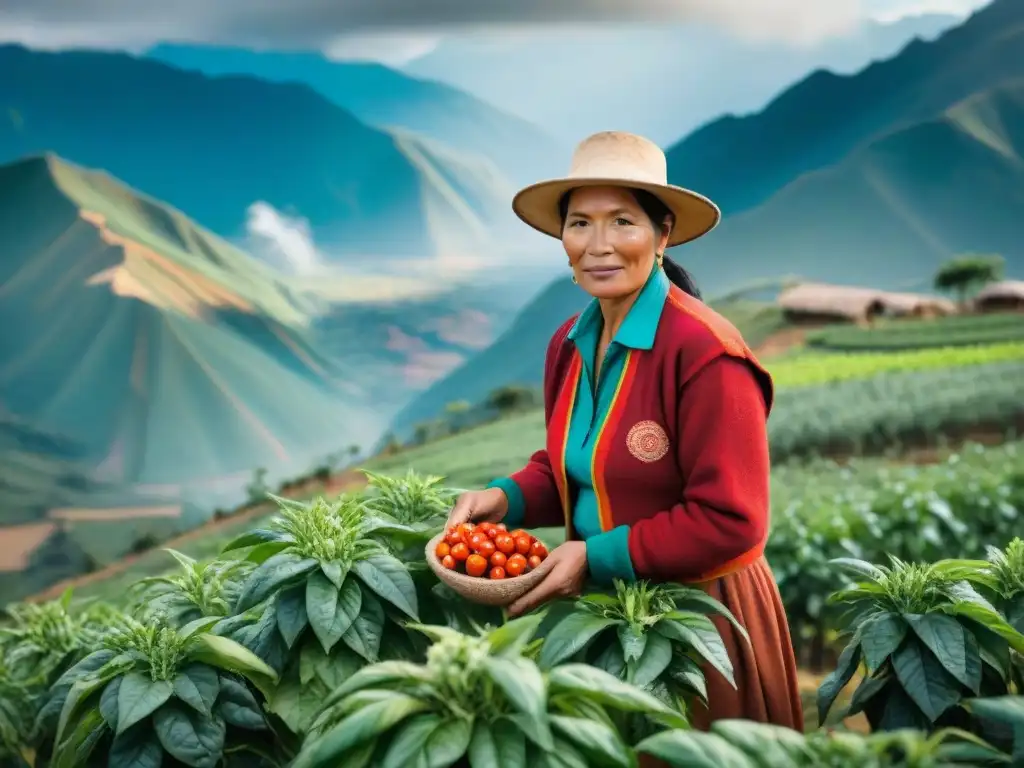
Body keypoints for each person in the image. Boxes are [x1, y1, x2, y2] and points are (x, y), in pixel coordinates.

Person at [446, 130, 803, 731]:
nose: (599, 245)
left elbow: (732, 519)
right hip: (601, 615)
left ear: (662, 235)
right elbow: (578, 462)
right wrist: (501, 498)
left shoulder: (707, 354)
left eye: (623, 223)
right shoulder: (568, 342)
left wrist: (593, 555)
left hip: (699, 623)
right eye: (580, 223)